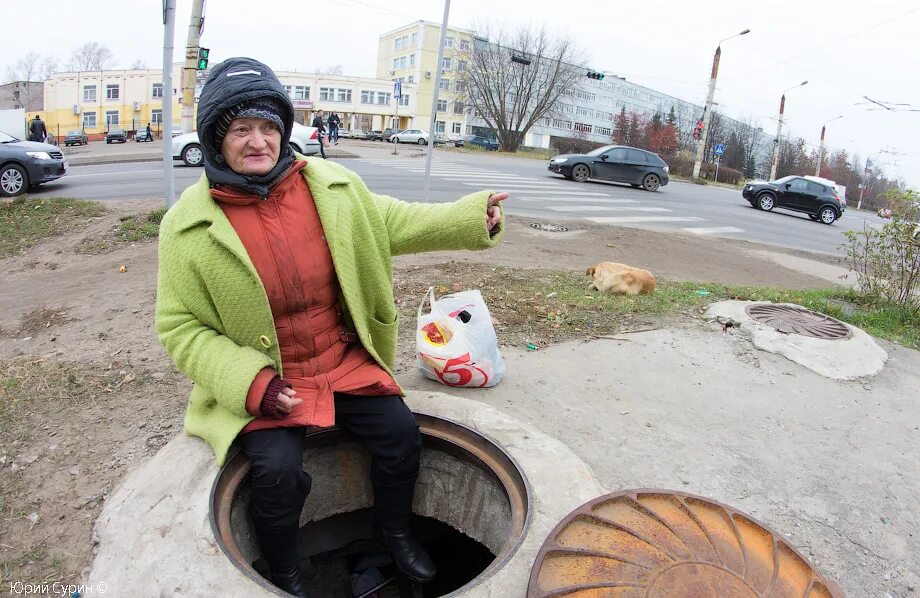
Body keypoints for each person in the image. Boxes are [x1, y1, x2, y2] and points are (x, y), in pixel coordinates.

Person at [155, 57, 507, 598]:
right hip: (269, 378)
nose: (258, 142)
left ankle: (392, 532)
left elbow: (392, 221)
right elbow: (180, 328)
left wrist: (467, 217)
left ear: (283, 131)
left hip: (340, 359)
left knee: (401, 437)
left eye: (268, 126)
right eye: (240, 129)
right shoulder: (187, 227)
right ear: (214, 140)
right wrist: (254, 386)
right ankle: (286, 571)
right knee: (276, 474)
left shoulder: (332, 187)